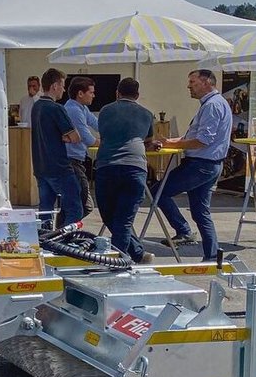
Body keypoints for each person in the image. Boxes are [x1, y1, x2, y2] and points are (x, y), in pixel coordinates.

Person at [156, 69, 232, 261]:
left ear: (207, 83)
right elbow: (194, 137)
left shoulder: (212, 106)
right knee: (200, 212)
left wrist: (175, 144)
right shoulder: (214, 103)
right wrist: (169, 142)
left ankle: (184, 231)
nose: (188, 86)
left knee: (158, 191)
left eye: (192, 82)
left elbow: (202, 140)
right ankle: (212, 257)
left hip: (201, 164)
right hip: (209, 164)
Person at [95, 77, 157, 264]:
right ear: (137, 95)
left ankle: (119, 262)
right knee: (123, 219)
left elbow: (105, 134)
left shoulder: (105, 111)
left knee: (110, 216)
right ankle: (135, 254)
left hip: (107, 166)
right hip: (135, 167)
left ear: (117, 93)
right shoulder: (147, 114)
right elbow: (148, 139)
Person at [32, 68, 82, 228]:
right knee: (75, 209)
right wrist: (64, 137)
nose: (64, 89)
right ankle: (66, 240)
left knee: (45, 211)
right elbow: (75, 137)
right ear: (54, 86)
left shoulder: (36, 107)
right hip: (59, 167)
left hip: (41, 166)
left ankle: (45, 240)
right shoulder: (56, 108)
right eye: (62, 85)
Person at [63, 76, 100, 218]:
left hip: (76, 160)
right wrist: (111, 142)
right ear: (80, 93)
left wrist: (112, 130)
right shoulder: (74, 110)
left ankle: (61, 233)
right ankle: (65, 232)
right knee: (84, 205)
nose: (93, 95)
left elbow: (97, 124)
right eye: (91, 92)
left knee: (70, 205)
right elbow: (88, 139)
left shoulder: (82, 108)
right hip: (71, 161)